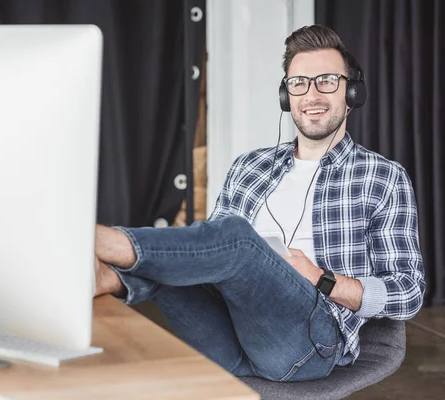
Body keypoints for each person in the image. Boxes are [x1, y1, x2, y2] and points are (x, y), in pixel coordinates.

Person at [93, 25, 425, 382]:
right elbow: (205, 253)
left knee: (238, 239)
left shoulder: (383, 177)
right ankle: (108, 278)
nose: (311, 94)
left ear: (352, 93)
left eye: (327, 81)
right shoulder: (250, 166)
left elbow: (408, 291)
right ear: (287, 96)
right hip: (229, 340)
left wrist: (321, 279)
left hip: (308, 346)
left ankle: (106, 241)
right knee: (187, 260)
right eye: (299, 83)